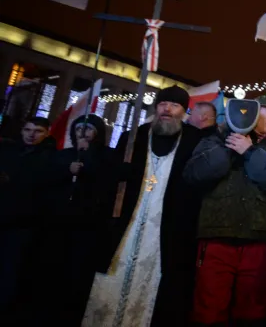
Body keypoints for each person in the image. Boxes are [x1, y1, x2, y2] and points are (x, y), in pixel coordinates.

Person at [83, 86, 203, 327]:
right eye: (162, 104)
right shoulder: (134, 136)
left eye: (174, 105)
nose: (167, 109)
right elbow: (110, 178)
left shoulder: (194, 140)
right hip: (127, 222)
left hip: (167, 227)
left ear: (184, 110)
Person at [184, 93, 266, 326]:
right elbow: (194, 174)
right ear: (250, 111)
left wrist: (250, 152)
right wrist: (231, 146)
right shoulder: (216, 139)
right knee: (208, 311)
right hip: (216, 240)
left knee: (252, 313)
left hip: (259, 243)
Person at [46, 114, 121, 326]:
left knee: (79, 276)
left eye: (89, 129)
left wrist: (87, 158)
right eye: (79, 128)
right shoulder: (63, 155)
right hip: (59, 224)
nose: (83, 133)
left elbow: (106, 178)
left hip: (89, 226)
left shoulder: (107, 156)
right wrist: (66, 170)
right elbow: (48, 178)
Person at [0, 117, 55, 322]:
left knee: (10, 271)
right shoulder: (9, 151)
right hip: (3, 216)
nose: (31, 135)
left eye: (38, 131)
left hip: (22, 223)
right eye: (28, 129)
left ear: (46, 134)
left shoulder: (49, 157)